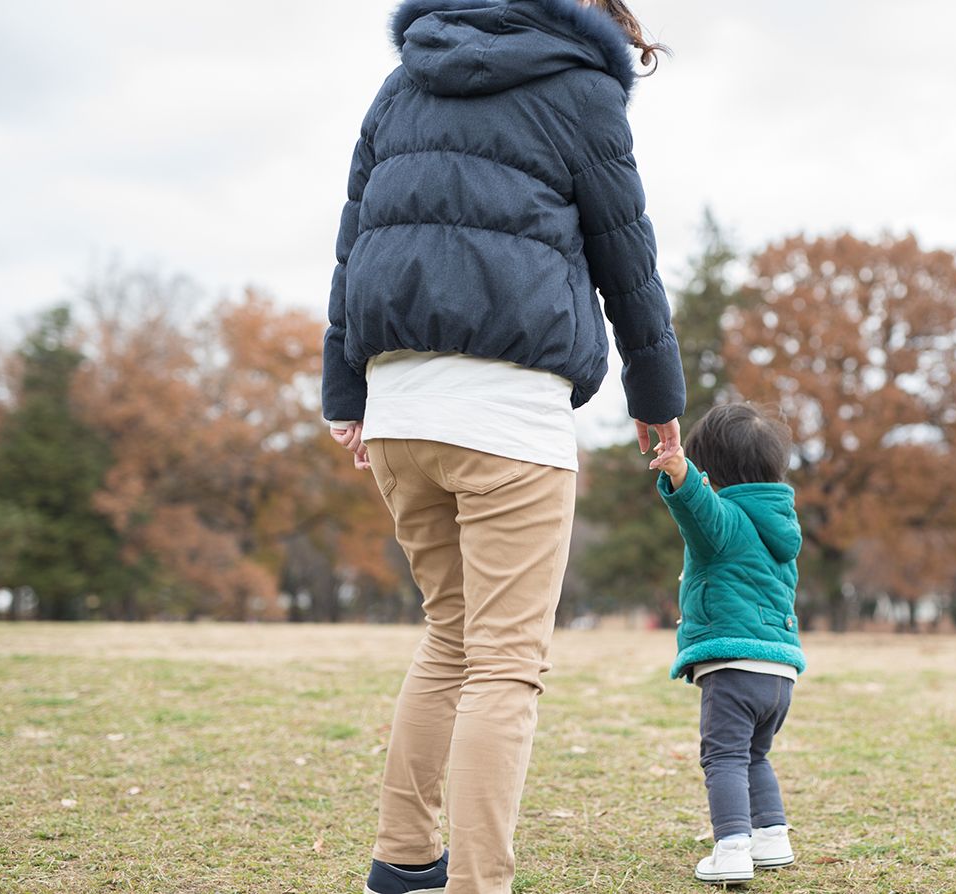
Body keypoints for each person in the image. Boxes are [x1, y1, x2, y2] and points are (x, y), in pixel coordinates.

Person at [320, 1, 685, 892]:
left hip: (399, 404)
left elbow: (352, 238)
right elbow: (625, 259)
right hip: (508, 413)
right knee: (505, 665)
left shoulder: (403, 79)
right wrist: (658, 399)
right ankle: (480, 884)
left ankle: (403, 863)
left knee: (448, 637)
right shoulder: (580, 91)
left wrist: (346, 390)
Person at [652, 403, 806, 885]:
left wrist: (680, 472)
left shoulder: (728, 522)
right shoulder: (781, 528)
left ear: (711, 470)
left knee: (722, 758)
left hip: (735, 667)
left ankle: (732, 847)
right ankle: (772, 836)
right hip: (779, 675)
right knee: (754, 756)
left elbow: (701, 509)